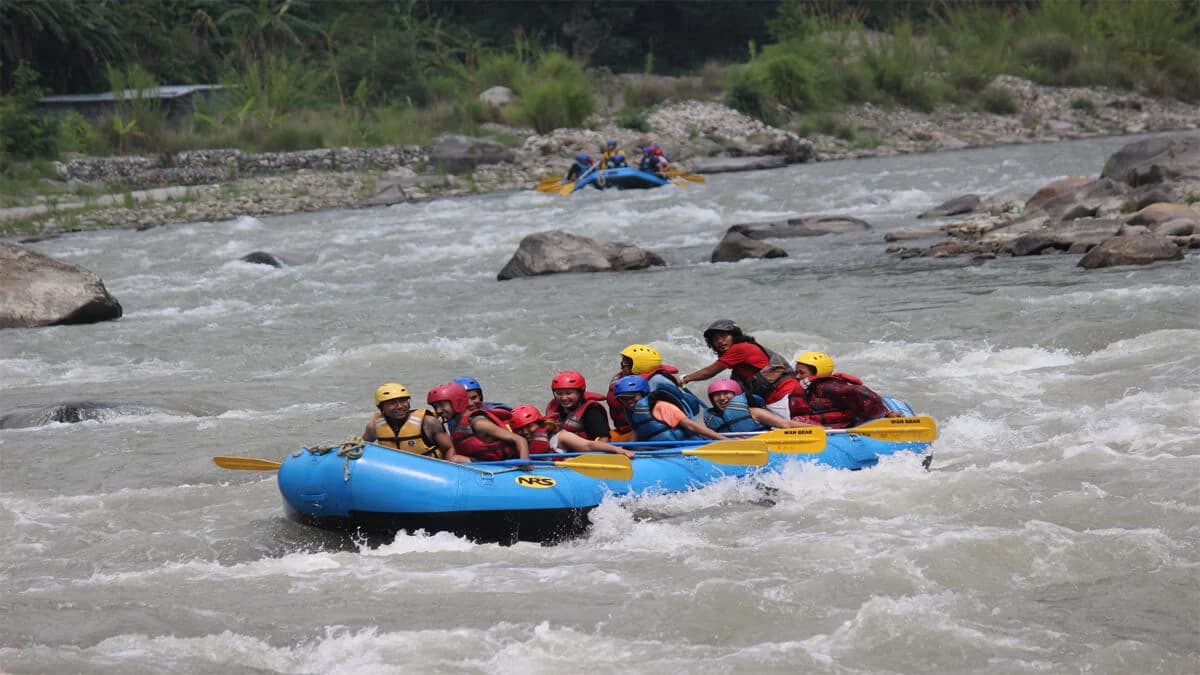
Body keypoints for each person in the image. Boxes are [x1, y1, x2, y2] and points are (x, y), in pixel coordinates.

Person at [680, 319, 797, 420]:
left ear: (734, 336)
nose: (720, 341)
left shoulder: (740, 348)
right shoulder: (738, 363)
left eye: (724, 336)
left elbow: (709, 371)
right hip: (776, 398)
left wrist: (685, 379)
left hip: (784, 394)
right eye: (715, 339)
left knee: (792, 430)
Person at [790, 351, 900, 428]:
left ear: (817, 373)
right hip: (821, 423)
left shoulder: (828, 387)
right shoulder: (810, 387)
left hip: (840, 426)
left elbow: (861, 392)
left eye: (802, 373)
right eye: (797, 372)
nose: (797, 376)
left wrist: (884, 415)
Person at [426, 382, 529, 463]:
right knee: (452, 459)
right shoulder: (458, 424)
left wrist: (524, 463)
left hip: (502, 466)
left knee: (455, 459)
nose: (438, 411)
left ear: (457, 402)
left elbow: (520, 440)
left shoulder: (479, 423)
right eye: (435, 407)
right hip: (484, 464)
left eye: (442, 405)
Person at [611, 375, 725, 442]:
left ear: (643, 394)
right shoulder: (634, 413)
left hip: (681, 447)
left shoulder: (661, 406)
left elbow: (691, 425)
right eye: (624, 399)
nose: (628, 402)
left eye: (632, 397)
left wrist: (722, 439)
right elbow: (636, 433)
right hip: (659, 451)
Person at [362, 383, 452, 458]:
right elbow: (360, 447)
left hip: (429, 473)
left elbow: (449, 448)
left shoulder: (429, 422)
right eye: (392, 403)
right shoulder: (374, 427)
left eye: (403, 401)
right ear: (380, 407)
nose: (400, 406)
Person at [509, 404, 635, 458]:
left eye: (529, 427)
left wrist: (618, 449)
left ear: (540, 423)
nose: (525, 432)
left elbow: (588, 445)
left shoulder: (560, 437)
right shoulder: (519, 442)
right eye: (520, 430)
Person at [619, 343, 704, 417]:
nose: (621, 366)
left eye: (625, 363)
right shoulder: (647, 380)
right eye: (622, 362)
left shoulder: (655, 381)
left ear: (639, 365)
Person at [702, 379, 801, 433]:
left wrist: (815, 428)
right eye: (717, 395)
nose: (722, 397)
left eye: (726, 393)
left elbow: (786, 424)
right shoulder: (712, 420)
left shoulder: (754, 412)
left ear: (736, 394)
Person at [544, 370, 611, 441]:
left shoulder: (592, 410)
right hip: (561, 449)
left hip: (585, 450)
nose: (564, 398)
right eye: (559, 394)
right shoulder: (555, 407)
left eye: (568, 393)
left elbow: (603, 440)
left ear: (580, 393)